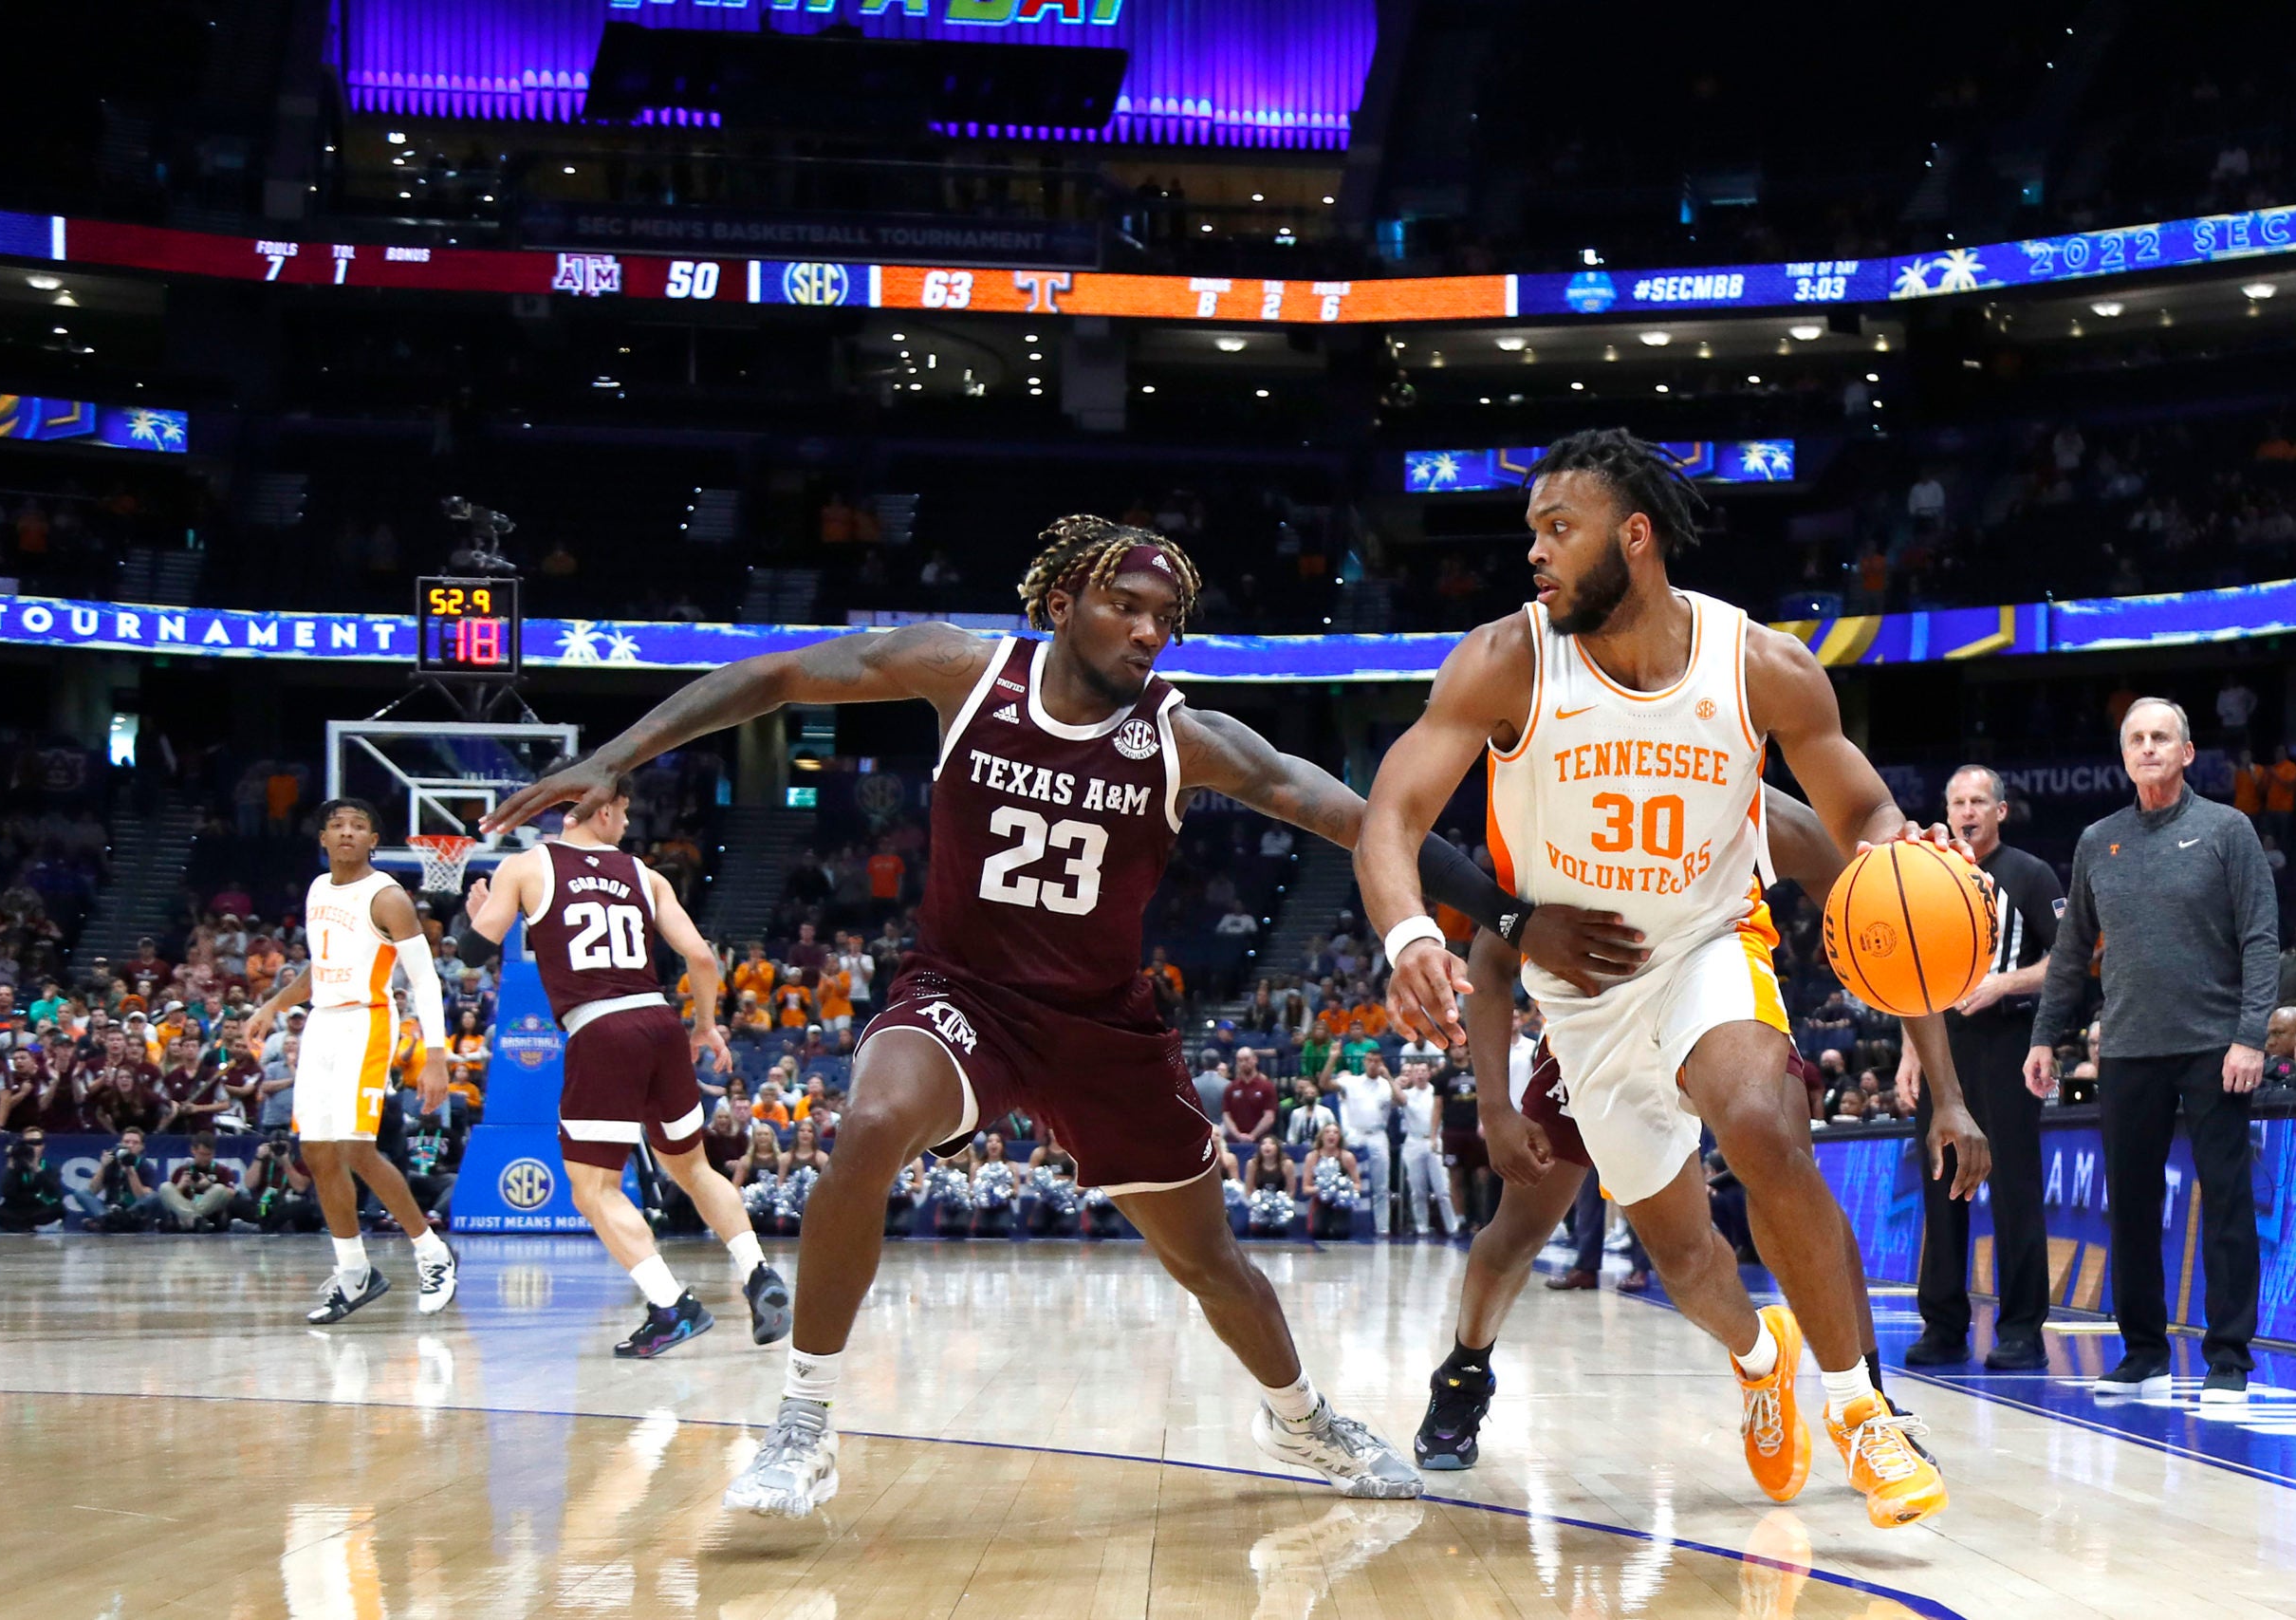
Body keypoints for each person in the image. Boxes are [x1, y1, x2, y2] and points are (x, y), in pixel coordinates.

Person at [483, 513, 1632, 1518]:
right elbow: (779, 678)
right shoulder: (966, 671)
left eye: (1164, 618)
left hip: (1103, 1030)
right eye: (1125, 606)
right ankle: (805, 1419)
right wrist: (617, 753)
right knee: (871, 1123)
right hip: (961, 998)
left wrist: (1514, 917)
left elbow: (1352, 817)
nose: (1146, 631)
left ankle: (1300, 1417)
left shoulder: (1184, 738)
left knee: (1211, 1262)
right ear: (1061, 601)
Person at [1354, 427, 1959, 1528]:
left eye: (1556, 528)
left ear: (1633, 537)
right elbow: (1390, 815)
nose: (1533, 553)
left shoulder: (1759, 665)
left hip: (1709, 949)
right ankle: (1757, 1357)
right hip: (1581, 1006)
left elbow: (1863, 809)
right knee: (1686, 1257)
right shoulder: (1506, 658)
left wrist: (1888, 850)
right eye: (1529, 530)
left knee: (1761, 1124)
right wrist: (1409, 940)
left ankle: (1858, 1412)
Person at [1418, 788, 1986, 1472]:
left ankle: (1867, 1400)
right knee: (1519, 1231)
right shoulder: (1568, 799)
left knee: (1788, 1178)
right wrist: (1496, 1110)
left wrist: (1949, 1095)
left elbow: (1900, 936)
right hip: (1596, 1028)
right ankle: (1465, 1371)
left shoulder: (1753, 805)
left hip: (1721, 1002)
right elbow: (1492, 954)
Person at [461, 764, 790, 1357]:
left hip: (601, 1029)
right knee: (692, 1169)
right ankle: (759, 1272)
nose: (629, 822)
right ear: (603, 809)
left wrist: (479, 905)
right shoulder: (644, 875)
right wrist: (706, 1025)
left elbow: (469, 954)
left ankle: (671, 1306)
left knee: (593, 1188)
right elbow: (702, 957)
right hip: (660, 1023)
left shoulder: (526, 866)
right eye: (627, 812)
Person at [2028, 698, 2277, 1404]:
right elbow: (2072, 950)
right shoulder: (2097, 840)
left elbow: (2261, 937)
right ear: (2124, 753)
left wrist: (2251, 1033)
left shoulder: (2228, 831)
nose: (2148, 747)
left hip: (2213, 1046)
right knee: (2131, 1206)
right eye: (2136, 738)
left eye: (2161, 736)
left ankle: (2228, 1356)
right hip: (2129, 1048)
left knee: (2226, 1202)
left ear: (2188, 751)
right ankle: (2143, 1352)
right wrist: (2046, 1034)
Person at [243, 799, 459, 1322]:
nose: (346, 833)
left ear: (372, 841)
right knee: (316, 1153)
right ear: (322, 838)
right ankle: (355, 1272)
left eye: (358, 826)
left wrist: (435, 1057)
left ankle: (433, 1254)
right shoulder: (319, 890)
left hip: (367, 1022)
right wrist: (273, 1004)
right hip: (321, 1024)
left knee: (356, 1149)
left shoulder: (387, 897)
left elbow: (425, 981)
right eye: (337, 826)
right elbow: (319, 969)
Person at [1895, 766, 2063, 1372]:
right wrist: (1911, 1051)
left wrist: (2002, 985)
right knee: (1941, 1188)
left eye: (1978, 801)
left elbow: (2070, 959)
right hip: (1944, 1046)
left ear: (2000, 811)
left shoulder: (2029, 874)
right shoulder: (1930, 874)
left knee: (2014, 1187)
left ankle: (2021, 1330)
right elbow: (1905, 972)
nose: (1966, 811)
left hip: (2010, 1042)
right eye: (1957, 800)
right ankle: (1943, 1327)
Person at [1333, 1049, 1395, 1238]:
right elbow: (1324, 1083)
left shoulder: (1386, 1084)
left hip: (1377, 1134)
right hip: (1356, 1135)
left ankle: (1382, 1228)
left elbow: (1402, 1100)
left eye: (1377, 1060)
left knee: (1381, 1185)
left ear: (1381, 1062)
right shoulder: (1352, 1082)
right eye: (1369, 1060)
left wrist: (1390, 1078)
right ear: (1364, 1062)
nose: (1373, 1063)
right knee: (1351, 1182)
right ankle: (1353, 1223)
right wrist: (1332, 1059)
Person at [1396, 1056, 1460, 1237]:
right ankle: (1421, 1227)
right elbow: (1397, 1098)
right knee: (1418, 1190)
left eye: (1423, 1071)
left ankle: (1452, 1226)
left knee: (1443, 1190)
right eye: (1416, 1071)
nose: (1420, 1075)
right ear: (1412, 1075)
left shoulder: (1436, 1093)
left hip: (1435, 1140)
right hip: (1414, 1141)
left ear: (1429, 1073)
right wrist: (1390, 1078)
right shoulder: (1407, 1094)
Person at [0, 1129, 63, 1231]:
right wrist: (11, 1167)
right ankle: (29, 1228)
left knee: (59, 1208)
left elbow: (56, 1194)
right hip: (14, 1210)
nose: (33, 1147)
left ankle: (19, 1227)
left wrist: (37, 1170)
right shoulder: (14, 1166)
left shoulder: (50, 1168)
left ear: (43, 1146)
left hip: (38, 1209)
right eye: (29, 1143)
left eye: (37, 1143)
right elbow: (6, 1192)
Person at [157, 1131, 237, 1232]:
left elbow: (231, 1193)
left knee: (220, 1189)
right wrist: (180, 1187)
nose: (206, 1158)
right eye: (202, 1154)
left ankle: (190, 1221)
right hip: (185, 1206)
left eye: (209, 1154)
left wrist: (209, 1185)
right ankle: (194, 1219)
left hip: (210, 1211)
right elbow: (172, 1199)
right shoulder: (182, 1171)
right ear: (193, 1150)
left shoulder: (223, 1171)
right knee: (165, 1187)